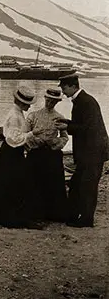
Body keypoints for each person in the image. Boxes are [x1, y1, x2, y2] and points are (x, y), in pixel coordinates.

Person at [0, 84, 42, 229]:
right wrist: (32, 134)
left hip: (11, 151)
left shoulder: (17, 113)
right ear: (21, 102)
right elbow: (13, 139)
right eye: (27, 104)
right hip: (11, 151)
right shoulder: (15, 116)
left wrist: (28, 142)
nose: (29, 107)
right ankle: (11, 217)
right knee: (15, 182)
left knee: (5, 182)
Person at [55, 73, 109, 227]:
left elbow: (88, 128)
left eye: (64, 88)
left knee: (88, 186)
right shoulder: (82, 100)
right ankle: (75, 216)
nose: (63, 92)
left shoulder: (86, 102)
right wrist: (67, 122)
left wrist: (68, 126)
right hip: (90, 151)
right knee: (78, 184)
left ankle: (86, 220)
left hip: (93, 152)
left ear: (73, 86)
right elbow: (83, 124)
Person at [25, 87, 69, 222]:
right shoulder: (33, 115)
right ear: (44, 99)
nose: (50, 103)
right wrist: (33, 142)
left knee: (53, 183)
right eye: (48, 100)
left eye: (53, 102)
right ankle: (34, 214)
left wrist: (56, 144)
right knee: (34, 183)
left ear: (57, 102)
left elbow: (65, 137)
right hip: (36, 153)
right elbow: (25, 134)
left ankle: (53, 214)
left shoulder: (60, 118)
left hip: (52, 154)